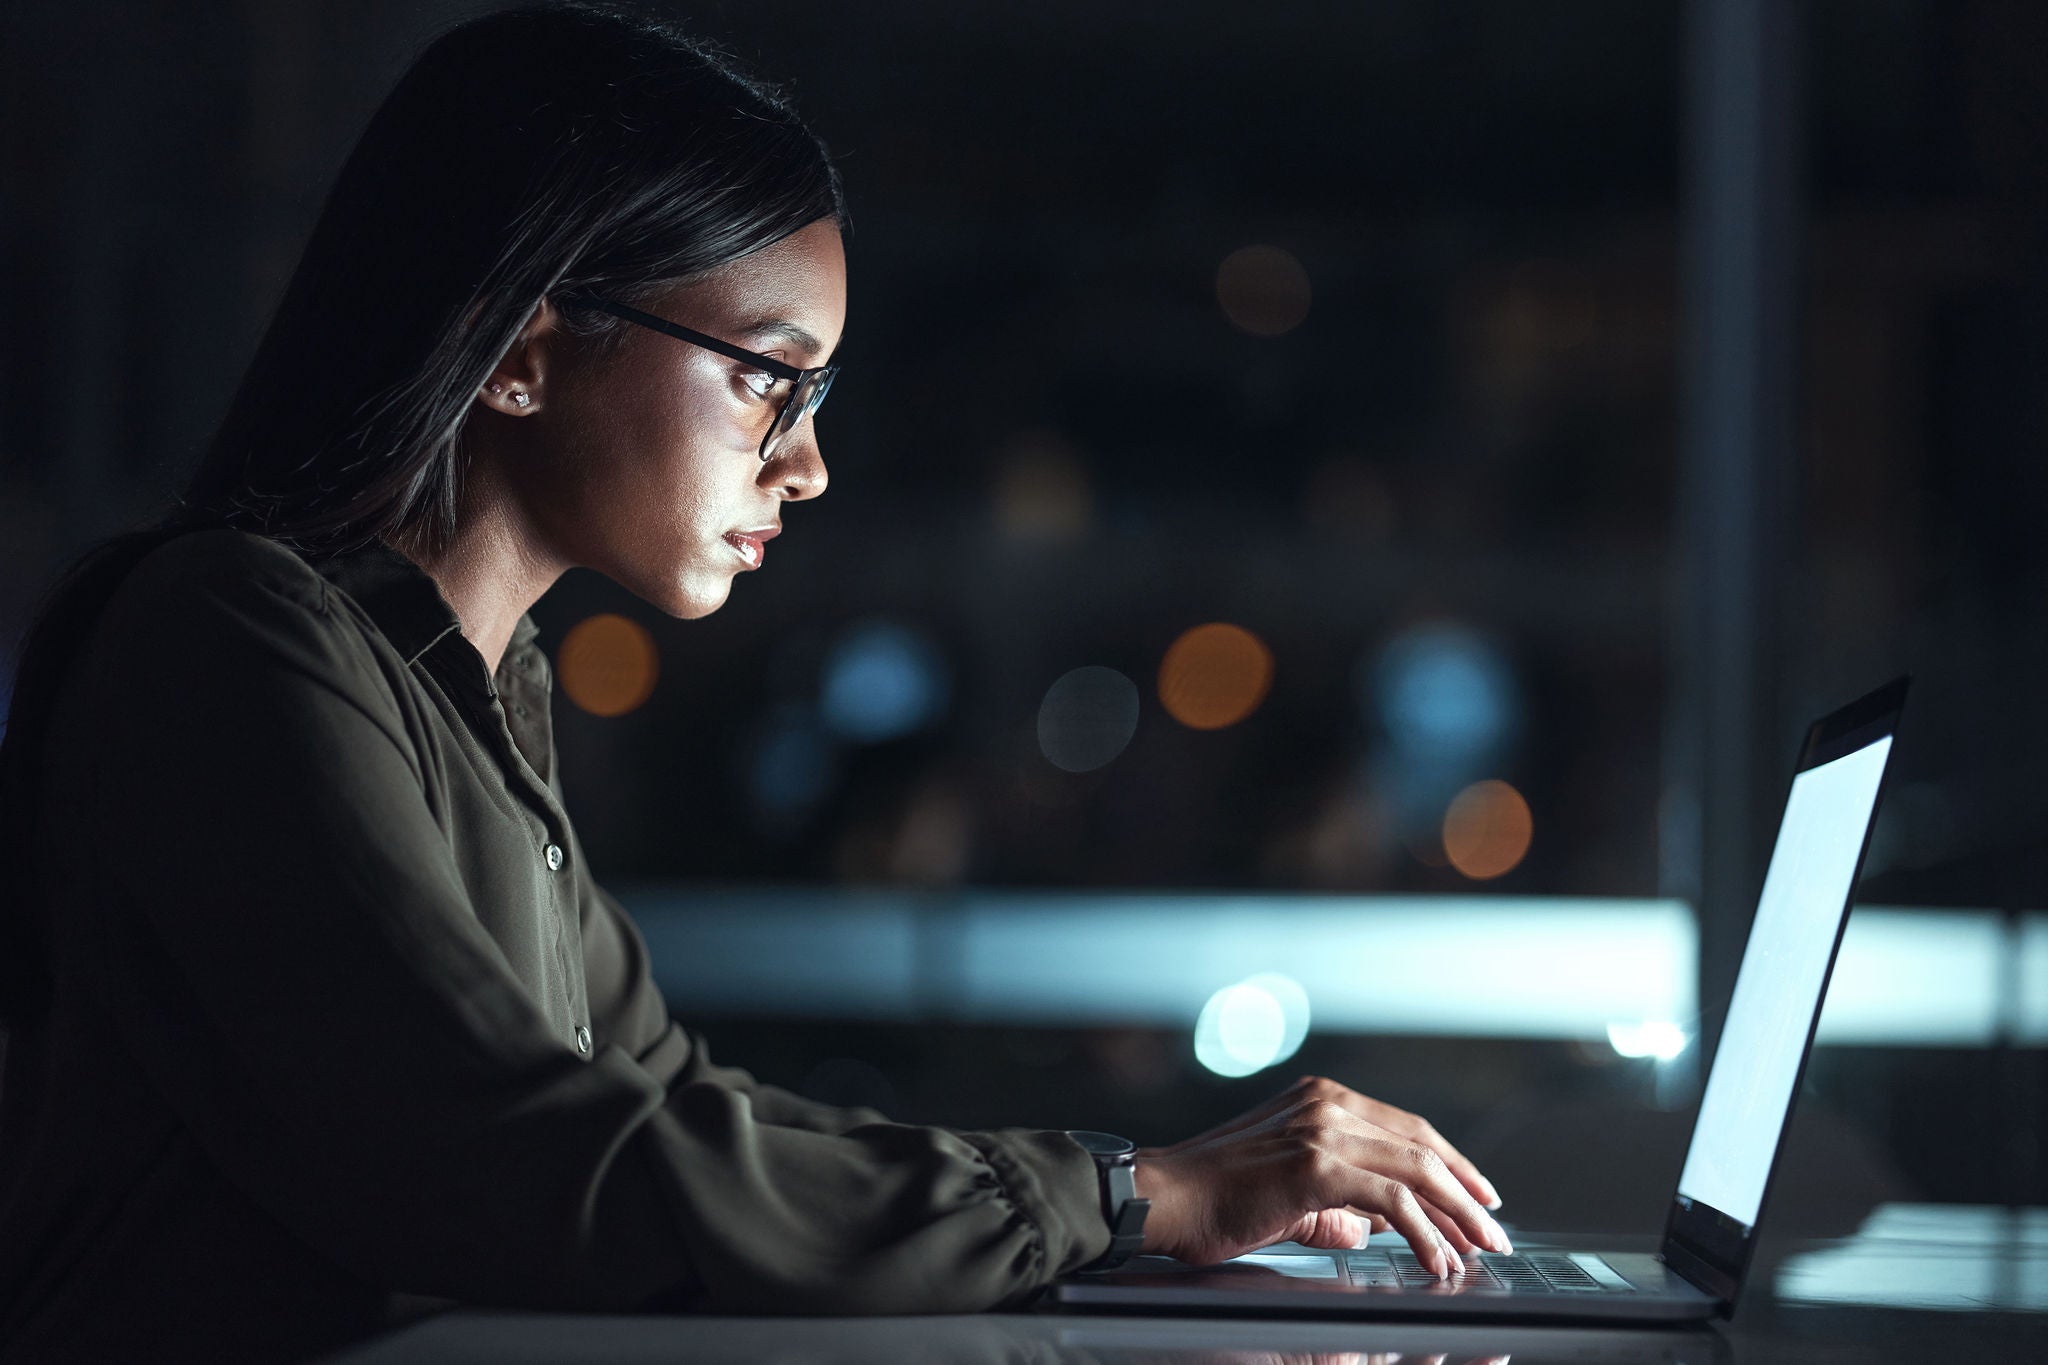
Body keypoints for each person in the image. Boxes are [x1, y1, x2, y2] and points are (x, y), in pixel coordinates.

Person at [0, 4, 1509, 1360]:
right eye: (767, 378)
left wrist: (1133, 1189)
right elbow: (533, 1167)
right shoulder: (232, 643)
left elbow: (661, 1108)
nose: (808, 459)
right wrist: (1132, 1192)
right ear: (525, 345)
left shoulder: (474, 683)